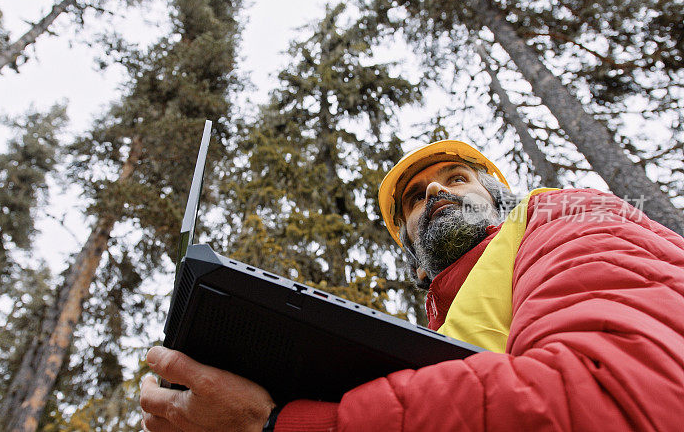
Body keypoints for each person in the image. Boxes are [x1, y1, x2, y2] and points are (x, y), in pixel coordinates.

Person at [139, 140, 684, 431]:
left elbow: (619, 397)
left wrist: (288, 425)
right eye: (416, 198)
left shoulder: (562, 214)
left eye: (456, 178)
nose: (436, 193)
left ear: (499, 198)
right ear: (414, 256)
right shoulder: (437, 332)